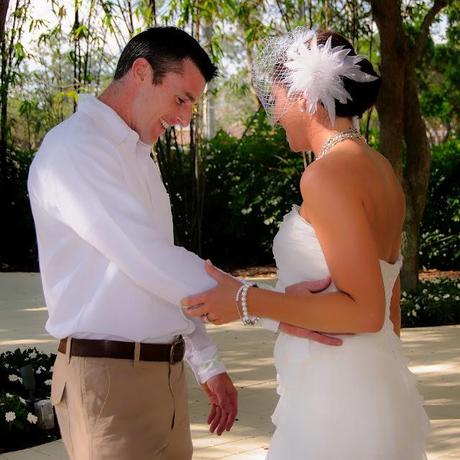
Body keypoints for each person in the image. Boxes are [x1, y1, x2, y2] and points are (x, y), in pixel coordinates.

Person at [182, 28, 431, 459]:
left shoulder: (326, 174)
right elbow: (389, 305)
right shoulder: (380, 169)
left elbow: (367, 311)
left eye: (275, 99)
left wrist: (247, 301)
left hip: (336, 395)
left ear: (303, 96)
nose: (273, 115)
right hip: (372, 379)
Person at [27, 27, 238, 460]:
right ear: (141, 72)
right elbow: (149, 260)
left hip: (166, 378)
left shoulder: (140, 156)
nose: (184, 118)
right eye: (181, 100)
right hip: (107, 385)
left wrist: (206, 362)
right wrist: (262, 305)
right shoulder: (74, 149)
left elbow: (164, 276)